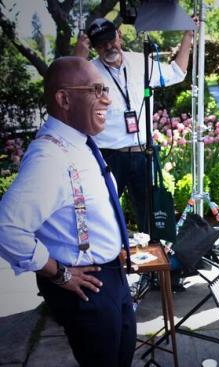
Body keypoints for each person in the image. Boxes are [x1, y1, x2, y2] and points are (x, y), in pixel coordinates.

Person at [0, 57, 136, 366]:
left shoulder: (79, 142)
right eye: (96, 88)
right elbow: (6, 228)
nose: (107, 97)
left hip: (110, 276)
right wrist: (58, 274)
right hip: (88, 289)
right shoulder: (49, 157)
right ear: (64, 98)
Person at [74, 18, 193, 231]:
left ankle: (151, 261)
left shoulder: (141, 62)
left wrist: (188, 36)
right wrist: (79, 57)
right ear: (94, 46)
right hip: (107, 155)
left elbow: (177, 72)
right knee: (101, 214)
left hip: (142, 154)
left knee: (149, 217)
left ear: (119, 35)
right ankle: (108, 261)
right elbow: (69, 90)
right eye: (101, 44)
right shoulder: (87, 70)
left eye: (111, 40)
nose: (109, 47)